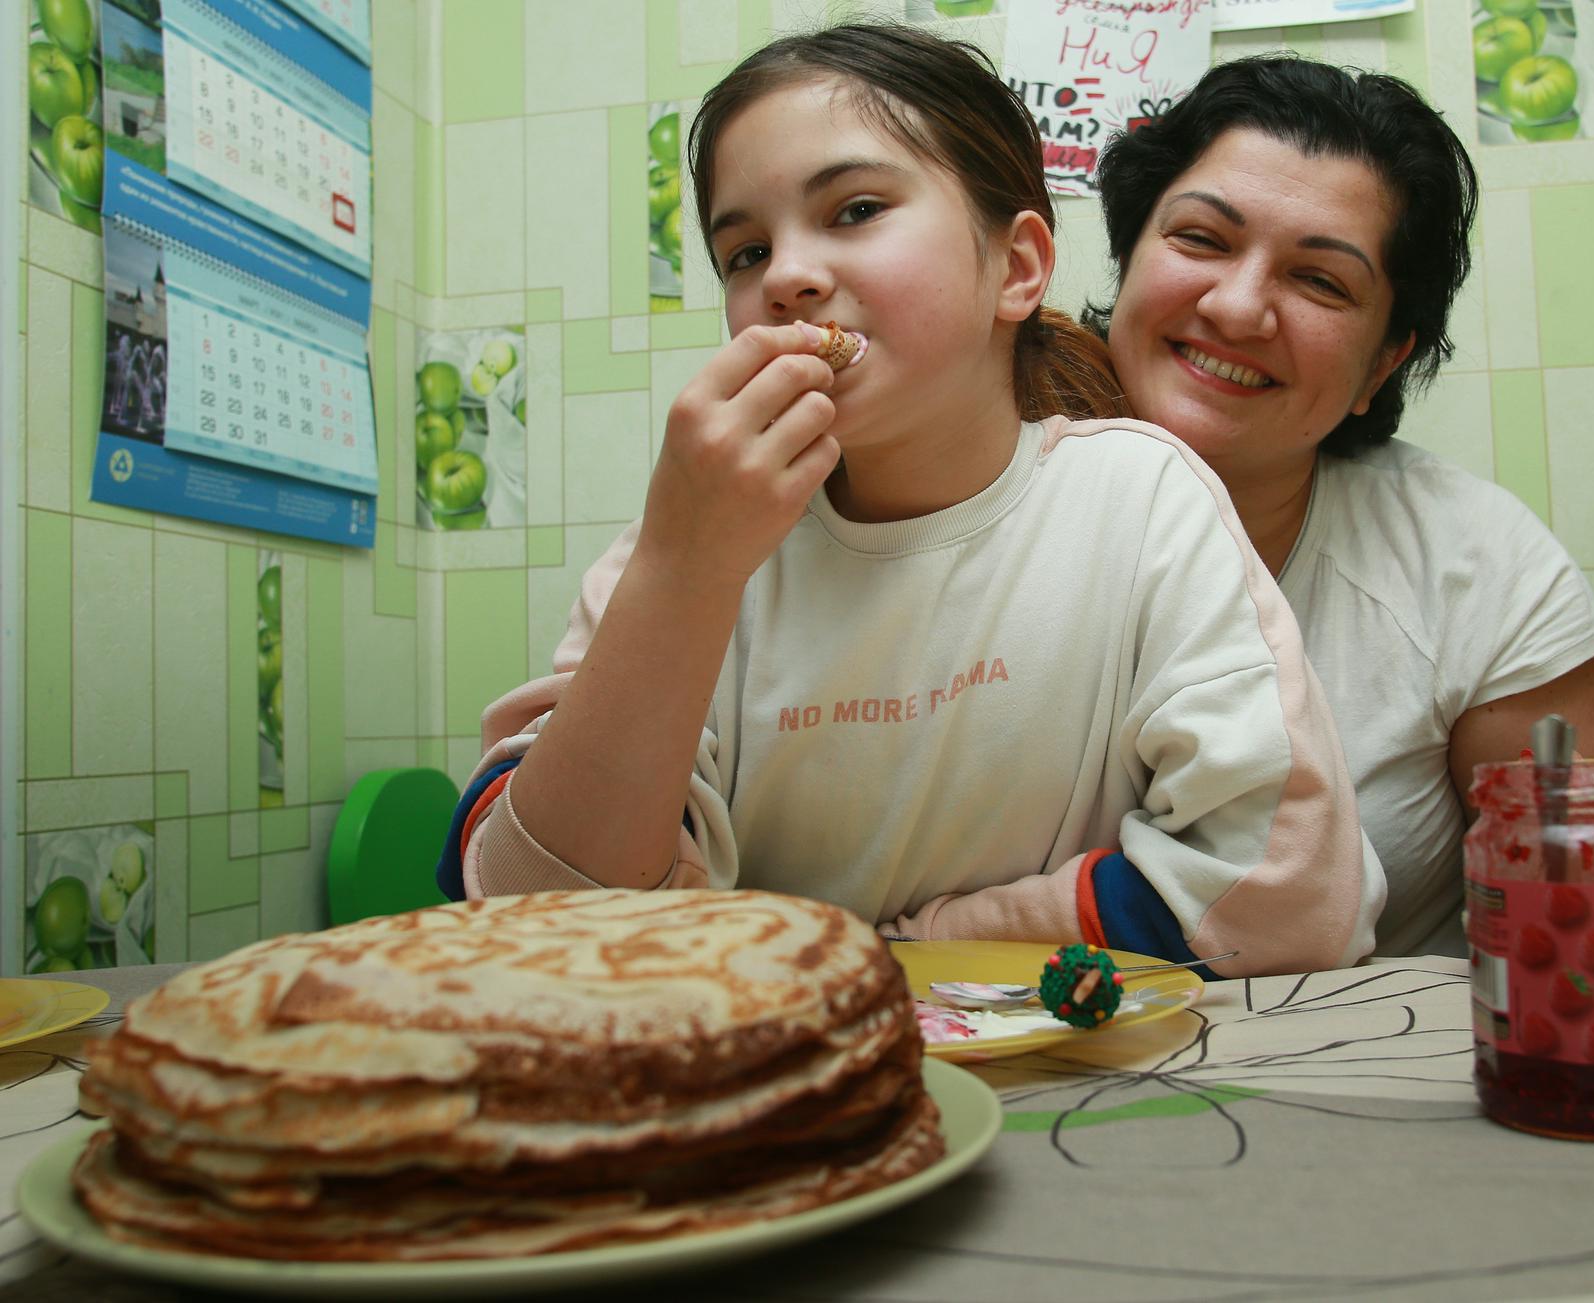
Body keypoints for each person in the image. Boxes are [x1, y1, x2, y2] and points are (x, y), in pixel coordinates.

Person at [434, 24, 1385, 978]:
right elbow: (527, 909)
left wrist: (932, 941)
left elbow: (1285, 895)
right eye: (745, 251)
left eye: (853, 209)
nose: (787, 278)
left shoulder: (1141, 504)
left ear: (1016, 268)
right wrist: (683, 571)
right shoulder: (685, 545)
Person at [1090, 56, 1594, 957]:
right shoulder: (951, 492)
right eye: (1201, 239)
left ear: (1381, 362)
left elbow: (1593, 951)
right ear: (1130, 253)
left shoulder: (1476, 563)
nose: (1237, 306)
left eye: (1321, 282)